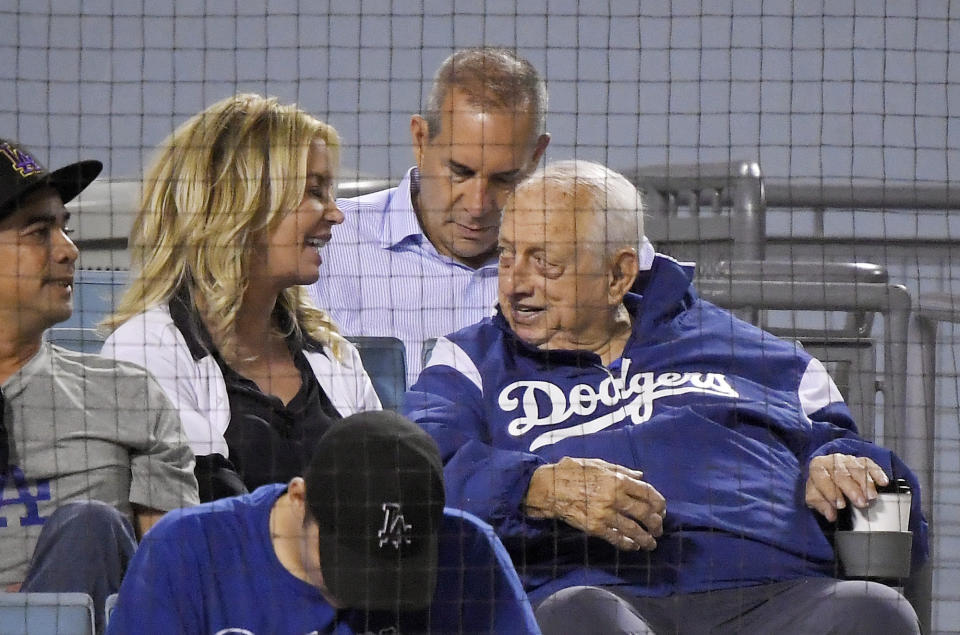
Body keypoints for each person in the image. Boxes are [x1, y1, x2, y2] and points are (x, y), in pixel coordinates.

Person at [403, 160, 928, 634]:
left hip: (776, 590)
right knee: (577, 621)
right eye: (509, 256)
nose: (515, 285)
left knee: (875, 610)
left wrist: (852, 472)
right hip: (595, 591)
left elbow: (893, 523)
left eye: (546, 264)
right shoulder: (470, 364)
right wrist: (535, 487)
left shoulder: (768, 360)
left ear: (618, 274)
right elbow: (415, 477)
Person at [100, 94, 381, 503]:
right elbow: (186, 532)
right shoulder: (145, 351)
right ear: (241, 203)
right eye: (314, 191)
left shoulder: (334, 355)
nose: (336, 213)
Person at [0, 139, 199, 629]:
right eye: (38, 231)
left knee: (88, 527)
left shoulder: (127, 395)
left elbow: (175, 584)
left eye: (64, 229)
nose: (69, 251)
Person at [107, 410, 541, 634]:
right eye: (348, 557)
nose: (367, 591)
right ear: (299, 498)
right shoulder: (188, 550)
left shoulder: (468, 550)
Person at [308, 47, 552, 386]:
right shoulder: (324, 247)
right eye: (460, 172)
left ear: (537, 155)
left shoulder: (584, 256)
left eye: (504, 179)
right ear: (421, 139)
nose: (478, 205)